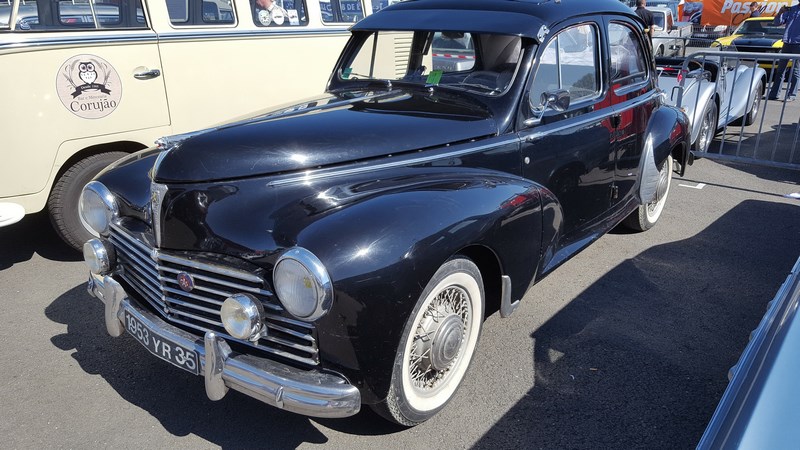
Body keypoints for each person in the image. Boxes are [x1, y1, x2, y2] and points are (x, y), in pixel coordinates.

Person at [766, 3, 800, 102]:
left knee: (795, 71)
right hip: (787, 42)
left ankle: (791, 95)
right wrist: (780, 12)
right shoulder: (792, 9)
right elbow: (777, 23)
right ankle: (774, 94)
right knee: (780, 70)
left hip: (798, 44)